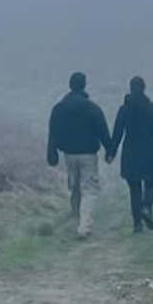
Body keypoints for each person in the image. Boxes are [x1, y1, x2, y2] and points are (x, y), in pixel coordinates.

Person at [47, 72, 114, 238]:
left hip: (69, 154)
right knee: (89, 190)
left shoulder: (59, 108)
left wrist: (52, 153)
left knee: (75, 187)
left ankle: (77, 217)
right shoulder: (92, 108)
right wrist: (109, 150)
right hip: (88, 155)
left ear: (70, 86)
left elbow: (53, 132)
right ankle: (84, 227)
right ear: (84, 85)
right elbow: (103, 132)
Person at [109, 76, 153, 235]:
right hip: (150, 153)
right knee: (151, 183)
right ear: (144, 88)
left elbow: (117, 133)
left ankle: (137, 225)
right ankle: (147, 207)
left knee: (134, 189)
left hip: (131, 153)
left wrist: (111, 152)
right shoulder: (152, 108)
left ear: (130, 88)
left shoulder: (124, 110)